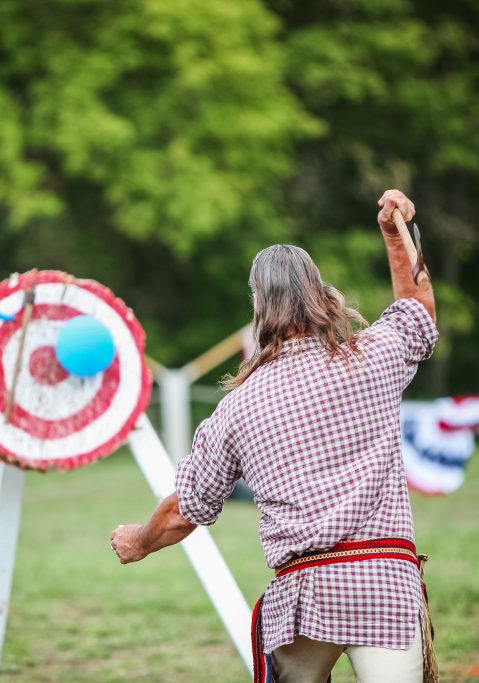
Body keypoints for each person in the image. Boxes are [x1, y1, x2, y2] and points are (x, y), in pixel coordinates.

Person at [111, 189, 438, 683]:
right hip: (386, 588)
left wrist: (139, 540)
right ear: (319, 291)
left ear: (258, 305)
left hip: (303, 599)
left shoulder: (237, 408)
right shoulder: (374, 357)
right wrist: (395, 237)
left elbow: (185, 511)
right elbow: (418, 310)